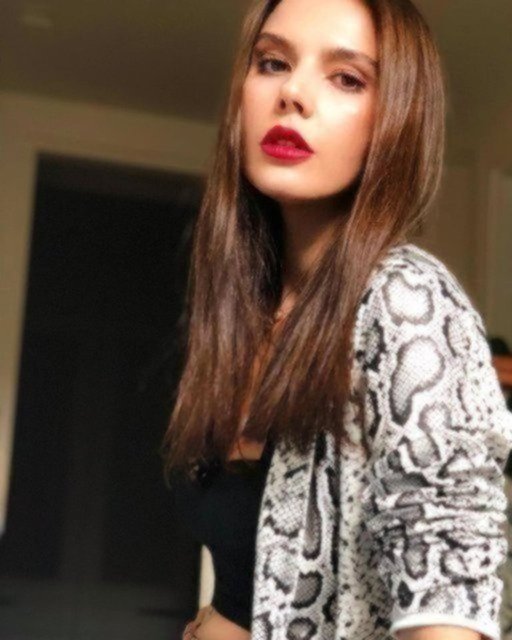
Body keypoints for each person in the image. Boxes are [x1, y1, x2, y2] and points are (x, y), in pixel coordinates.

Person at [160, 0, 512, 639]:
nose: (292, 94)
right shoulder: (248, 310)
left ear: (395, 121)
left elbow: (448, 596)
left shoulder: (406, 299)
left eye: (346, 78)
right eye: (273, 63)